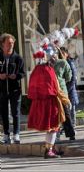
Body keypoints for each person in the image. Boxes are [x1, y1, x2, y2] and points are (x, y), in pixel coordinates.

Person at [28, 28, 77, 158]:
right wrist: (66, 100)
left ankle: (50, 149)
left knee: (52, 128)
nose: (56, 56)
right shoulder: (48, 70)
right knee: (53, 127)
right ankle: (48, 150)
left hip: (41, 103)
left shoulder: (37, 69)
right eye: (54, 55)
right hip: (51, 103)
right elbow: (56, 88)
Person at [0, 33, 24, 144]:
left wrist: (16, 76)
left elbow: (22, 73)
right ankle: (6, 135)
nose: (11, 45)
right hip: (2, 90)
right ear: (2, 45)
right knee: (4, 112)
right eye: (8, 43)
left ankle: (16, 134)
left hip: (15, 90)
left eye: (12, 43)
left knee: (15, 112)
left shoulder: (18, 58)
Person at [53, 48, 75, 141]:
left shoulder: (61, 62)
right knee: (62, 113)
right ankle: (67, 134)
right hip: (58, 90)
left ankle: (63, 134)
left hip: (57, 90)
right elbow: (68, 77)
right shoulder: (62, 62)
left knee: (61, 113)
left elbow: (69, 77)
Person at [59, 47, 79, 140]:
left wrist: (66, 90)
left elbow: (72, 78)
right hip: (61, 92)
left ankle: (72, 130)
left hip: (69, 91)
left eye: (63, 53)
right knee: (64, 112)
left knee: (70, 111)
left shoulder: (70, 63)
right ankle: (66, 129)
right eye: (60, 53)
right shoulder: (58, 63)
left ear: (67, 53)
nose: (61, 55)